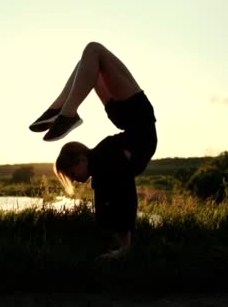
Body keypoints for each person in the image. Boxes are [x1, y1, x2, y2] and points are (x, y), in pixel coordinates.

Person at [29, 41, 157, 259]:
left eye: (71, 173)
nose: (75, 180)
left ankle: (63, 110)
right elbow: (121, 196)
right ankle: (64, 110)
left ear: (81, 160)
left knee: (89, 58)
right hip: (135, 119)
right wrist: (123, 247)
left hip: (134, 117)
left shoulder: (103, 163)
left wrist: (124, 248)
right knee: (92, 52)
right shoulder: (102, 164)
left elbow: (125, 198)